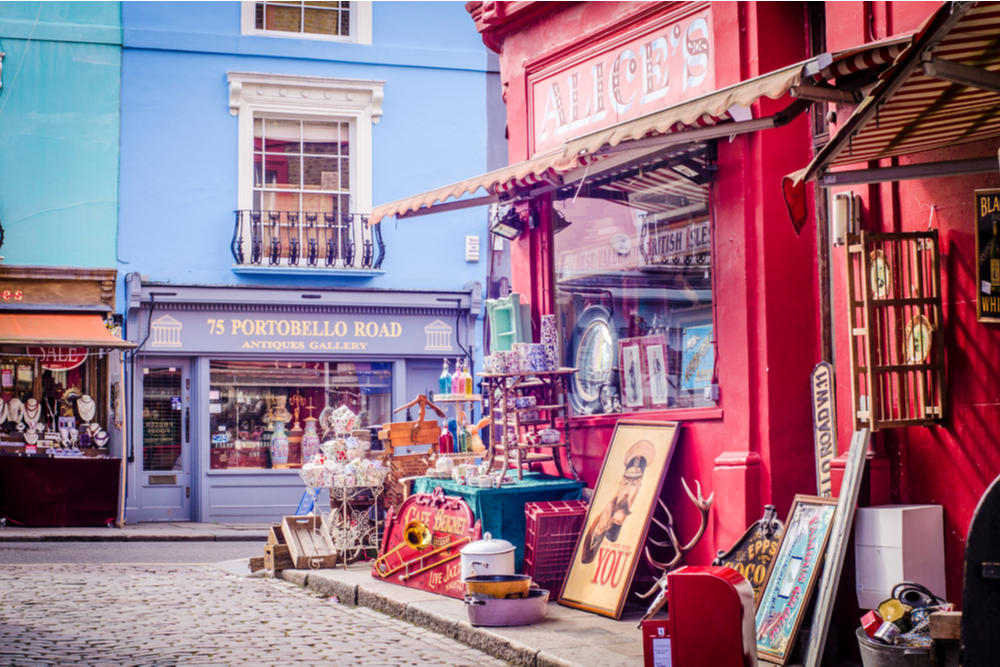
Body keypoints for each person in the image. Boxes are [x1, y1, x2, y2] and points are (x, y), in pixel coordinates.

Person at [580, 439, 656, 564]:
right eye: (626, 482)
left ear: (640, 488)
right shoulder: (604, 511)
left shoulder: (639, 519)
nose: (627, 492)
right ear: (619, 485)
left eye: (634, 485)